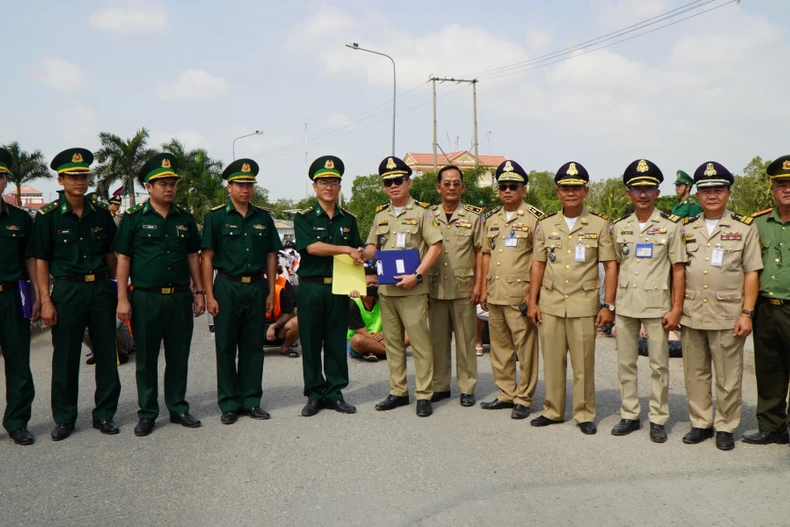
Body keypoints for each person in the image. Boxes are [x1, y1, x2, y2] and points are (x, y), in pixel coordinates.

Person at [28, 148, 121, 440]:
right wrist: (45, 301)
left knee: (106, 352)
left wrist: (116, 290)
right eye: (73, 177)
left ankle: (105, 414)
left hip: (101, 288)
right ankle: (65, 418)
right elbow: (41, 261)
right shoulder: (48, 217)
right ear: (61, 180)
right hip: (68, 290)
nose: (80, 182)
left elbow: (111, 255)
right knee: (65, 356)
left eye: (84, 176)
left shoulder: (101, 213)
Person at [114, 152, 205, 436]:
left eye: (172, 183)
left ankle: (178, 407)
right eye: (162, 183)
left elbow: (192, 256)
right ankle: (147, 412)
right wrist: (122, 298)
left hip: (179, 297)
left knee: (178, 356)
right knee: (146, 358)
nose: (169, 188)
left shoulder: (185, 219)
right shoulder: (133, 218)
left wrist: (199, 291)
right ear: (149, 187)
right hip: (146, 297)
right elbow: (123, 259)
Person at [528, 161, 616, 435]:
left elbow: (610, 265)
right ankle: (553, 410)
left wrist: (608, 304)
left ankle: (584, 413)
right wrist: (532, 301)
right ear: (558, 192)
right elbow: (538, 264)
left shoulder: (599, 224)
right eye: (565, 188)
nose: (570, 192)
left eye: (576, 188)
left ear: (585, 192)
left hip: (583, 305)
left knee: (583, 364)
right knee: (553, 362)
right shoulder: (545, 225)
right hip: (551, 303)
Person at [679, 161, 762, 451]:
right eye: (706, 190)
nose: (712, 195)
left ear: (728, 193)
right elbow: (676, 271)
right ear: (697, 195)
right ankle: (701, 422)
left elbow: (752, 272)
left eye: (718, 189)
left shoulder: (744, 228)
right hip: (691, 312)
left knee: (728, 376)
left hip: (728, 313)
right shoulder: (685, 228)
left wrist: (747, 313)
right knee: (695, 373)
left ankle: (726, 425)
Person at [610, 159, 686, 443]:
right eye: (637, 189)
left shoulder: (671, 226)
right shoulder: (619, 227)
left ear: (657, 192)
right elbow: (614, 267)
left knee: (659, 365)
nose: (642, 194)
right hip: (626, 304)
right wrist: (610, 305)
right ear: (628, 193)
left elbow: (678, 270)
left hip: (657, 305)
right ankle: (629, 414)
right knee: (625, 364)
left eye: (648, 188)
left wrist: (676, 308)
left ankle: (658, 418)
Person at [362, 156, 443, 417]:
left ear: (409, 182)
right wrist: (362, 254)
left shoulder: (423, 213)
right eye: (388, 182)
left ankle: (424, 394)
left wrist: (417, 276)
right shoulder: (381, 215)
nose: (394, 185)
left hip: (412, 289)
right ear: (383, 187)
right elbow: (373, 245)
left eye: (398, 180)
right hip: (387, 290)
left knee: (419, 344)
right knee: (393, 343)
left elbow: (436, 246)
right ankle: (398, 391)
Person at [201, 158, 280, 425]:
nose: (245, 190)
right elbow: (207, 257)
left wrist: (271, 291)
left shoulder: (263, 218)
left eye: (249, 185)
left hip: (256, 286)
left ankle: (251, 400)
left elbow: (271, 256)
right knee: (225, 346)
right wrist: (209, 295)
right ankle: (229, 402)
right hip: (226, 285)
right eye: (240, 185)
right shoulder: (216, 217)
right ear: (229, 187)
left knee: (253, 346)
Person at [294, 155, 363, 417]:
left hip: (340, 287)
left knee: (335, 340)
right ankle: (314, 394)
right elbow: (312, 247)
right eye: (323, 182)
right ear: (314, 186)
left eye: (334, 182)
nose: (329, 187)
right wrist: (345, 249)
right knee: (311, 341)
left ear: (339, 186)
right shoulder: (304, 218)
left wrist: (359, 258)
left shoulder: (349, 220)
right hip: (311, 287)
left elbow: (356, 252)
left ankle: (335, 393)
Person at [479, 160, 543, 418]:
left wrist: (533, 296)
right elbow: (486, 254)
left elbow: (540, 259)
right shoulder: (491, 219)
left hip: (520, 295)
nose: (507, 190)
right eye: (503, 186)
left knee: (525, 350)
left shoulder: (535, 218)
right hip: (495, 293)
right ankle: (506, 393)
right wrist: (483, 288)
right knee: (500, 348)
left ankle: (524, 398)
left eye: (513, 186)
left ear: (523, 189)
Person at [743, 154, 790, 446]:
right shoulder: (757, 223)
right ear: (772, 188)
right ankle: (773, 427)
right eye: (781, 184)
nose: (787, 189)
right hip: (764, 308)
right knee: (769, 368)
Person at [428, 165, 484, 407]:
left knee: (466, 340)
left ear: (463, 187)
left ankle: (467, 387)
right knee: (438, 341)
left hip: (464, 288)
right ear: (438, 187)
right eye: (447, 183)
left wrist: (479, 284)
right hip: (435, 287)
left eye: (456, 183)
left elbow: (481, 251)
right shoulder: (428, 215)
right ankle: (440, 385)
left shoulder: (474, 217)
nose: (451, 187)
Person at [0, 147, 40, 445]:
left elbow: (31, 260)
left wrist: (39, 295)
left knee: (18, 362)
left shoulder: (20, 219)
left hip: (10, 297)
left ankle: (17, 421)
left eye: (0, 176)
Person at [347, 266, 402, 362]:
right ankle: (393, 352)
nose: (372, 286)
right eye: (368, 283)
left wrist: (382, 334)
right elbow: (363, 333)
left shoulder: (383, 300)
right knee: (357, 340)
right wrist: (381, 340)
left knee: (408, 335)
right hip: (363, 338)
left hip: (382, 337)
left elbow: (392, 322)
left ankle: (373, 351)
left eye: (375, 283)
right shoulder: (353, 303)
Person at [264, 266, 300, 357]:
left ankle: (285, 347)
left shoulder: (280, 289)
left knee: (298, 320)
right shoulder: (253, 289)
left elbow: (291, 309)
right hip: (257, 328)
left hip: (279, 325)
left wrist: (273, 326)